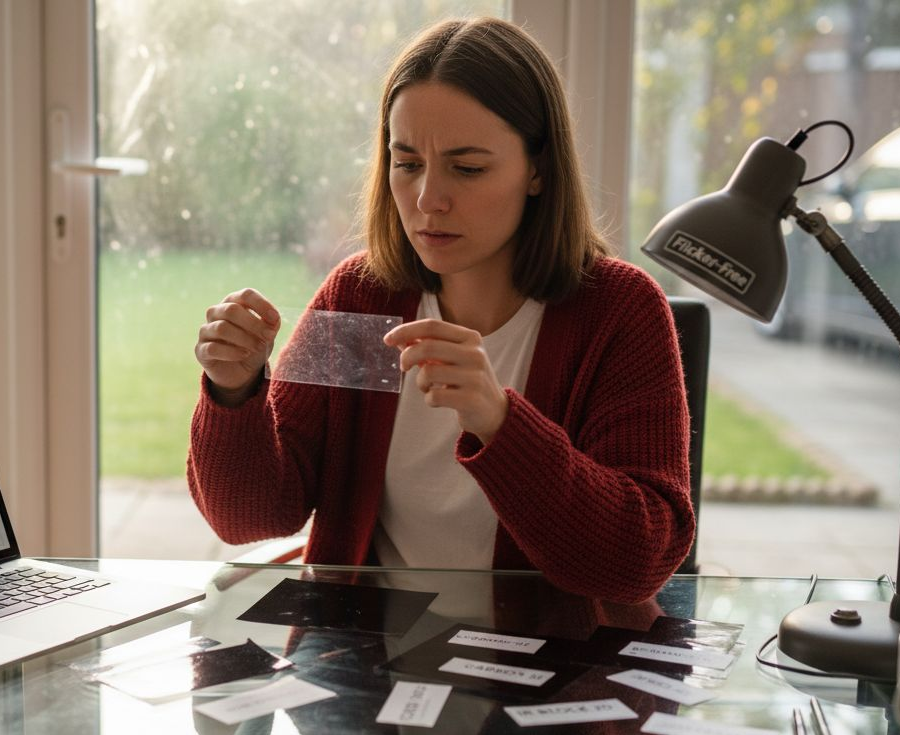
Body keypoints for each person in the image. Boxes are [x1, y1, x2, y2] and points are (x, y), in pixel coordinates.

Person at [187, 16, 693, 604]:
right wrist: (233, 392)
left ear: (538, 168)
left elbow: (637, 563)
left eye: (468, 167)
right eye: (407, 164)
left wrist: (499, 422)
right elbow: (251, 516)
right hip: (367, 670)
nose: (429, 199)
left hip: (552, 675)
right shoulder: (364, 298)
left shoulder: (615, 311)